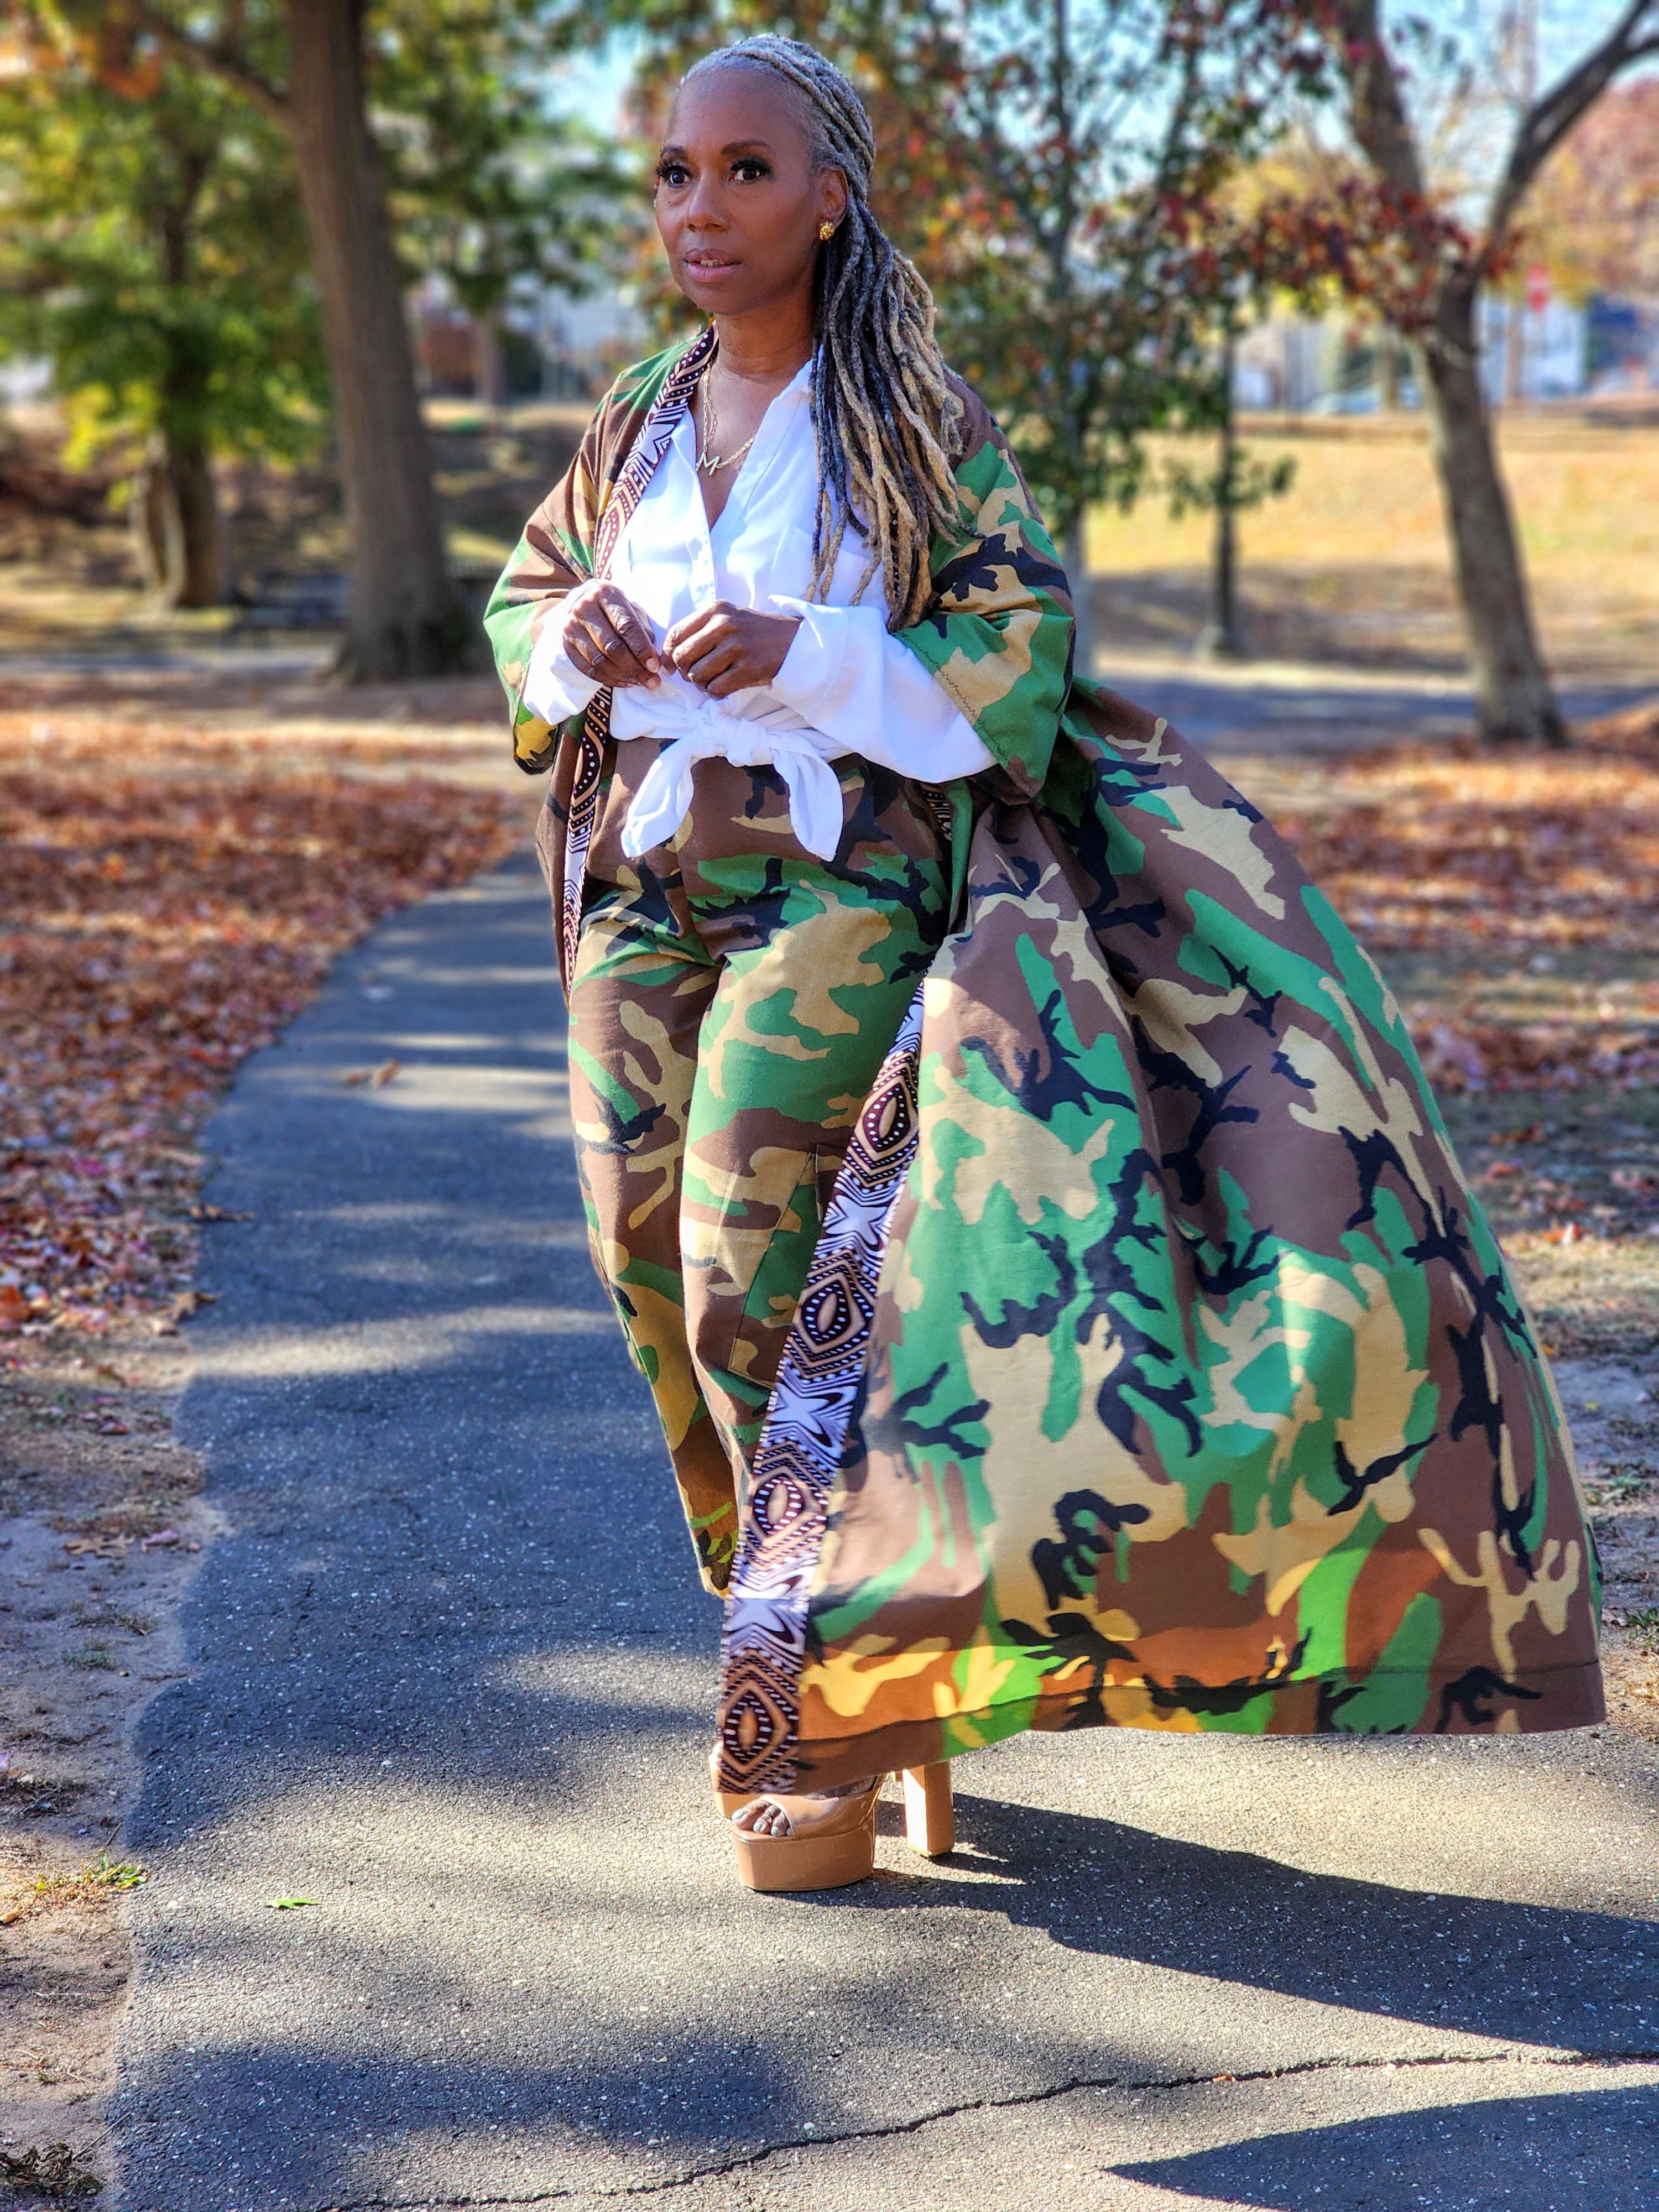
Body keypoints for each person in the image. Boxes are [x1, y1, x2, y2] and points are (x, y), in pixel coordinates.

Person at [484, 34, 1602, 1897]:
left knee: (755, 1277)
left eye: (746, 171)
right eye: (678, 172)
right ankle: (847, 1638)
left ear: (830, 193)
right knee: (641, 1262)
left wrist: (816, 651)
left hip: (831, 882)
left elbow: (1016, 653)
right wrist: (576, 636)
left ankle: (821, 1707)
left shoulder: (914, 423)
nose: (702, 206)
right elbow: (527, 600)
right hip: (643, 882)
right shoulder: (634, 421)